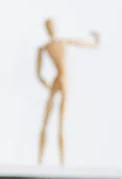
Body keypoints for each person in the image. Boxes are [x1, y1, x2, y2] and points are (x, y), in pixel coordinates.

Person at [37, 19, 100, 164]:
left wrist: (96, 41)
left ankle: (62, 160)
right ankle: (41, 159)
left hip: (62, 82)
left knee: (61, 122)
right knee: (47, 120)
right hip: (56, 82)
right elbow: (39, 73)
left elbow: (86, 44)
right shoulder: (44, 48)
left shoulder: (62, 43)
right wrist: (44, 81)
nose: (51, 29)